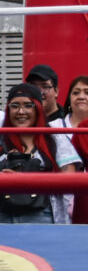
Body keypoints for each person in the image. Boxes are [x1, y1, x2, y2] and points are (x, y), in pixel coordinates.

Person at [0, 83, 80, 223]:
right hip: (0, 218)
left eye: (28, 105)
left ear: (39, 108)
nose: (21, 111)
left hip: (45, 218)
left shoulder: (55, 139)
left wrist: (26, 181)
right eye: (14, 106)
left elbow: (69, 182)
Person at [62, 75, 88, 223]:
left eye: (87, 92)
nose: (81, 96)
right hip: (62, 199)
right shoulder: (52, 127)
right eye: (76, 92)